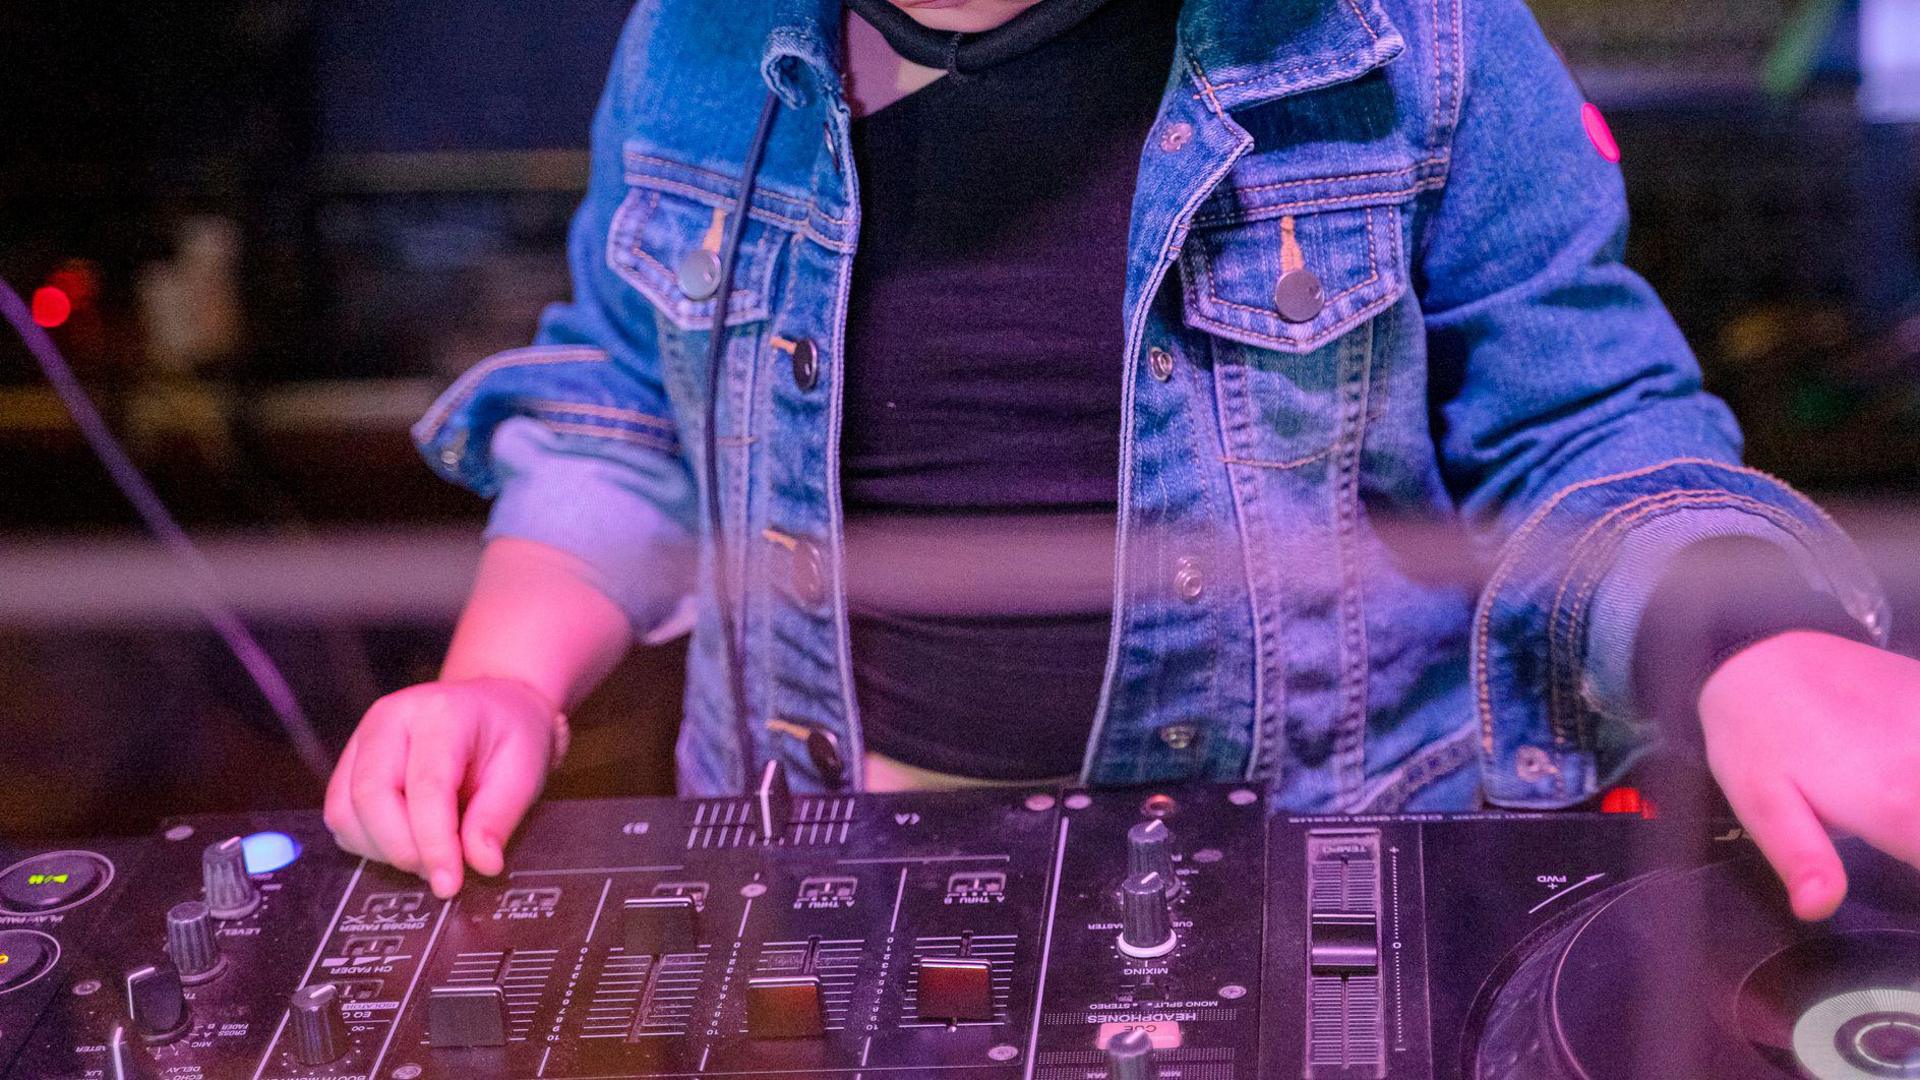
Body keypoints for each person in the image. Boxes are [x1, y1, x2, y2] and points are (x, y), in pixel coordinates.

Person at [324, 0, 1920, 923]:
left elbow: (1577, 423)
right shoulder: (696, 36)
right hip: (824, 871)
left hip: (1326, 876)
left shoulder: (1417, 39)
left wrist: (1744, 640)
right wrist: (503, 682)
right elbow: (627, 407)